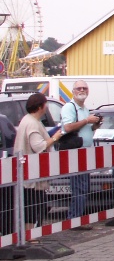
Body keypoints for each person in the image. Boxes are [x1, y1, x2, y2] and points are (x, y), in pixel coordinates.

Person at [13, 93, 64, 229]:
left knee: (33, 205)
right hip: (32, 176)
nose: (46, 107)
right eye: (45, 104)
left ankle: (29, 234)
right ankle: (30, 235)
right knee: (34, 206)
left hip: (28, 173)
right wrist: (55, 138)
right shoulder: (32, 124)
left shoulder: (27, 120)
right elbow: (38, 146)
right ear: (41, 106)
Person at [61, 80, 102, 226]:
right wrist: (86, 120)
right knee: (79, 187)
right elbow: (67, 127)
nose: (82, 90)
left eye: (84, 88)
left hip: (84, 152)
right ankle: (74, 219)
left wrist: (94, 126)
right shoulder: (69, 107)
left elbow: (84, 130)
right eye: (79, 88)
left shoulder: (84, 108)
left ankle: (77, 218)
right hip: (75, 153)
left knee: (84, 187)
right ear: (73, 91)